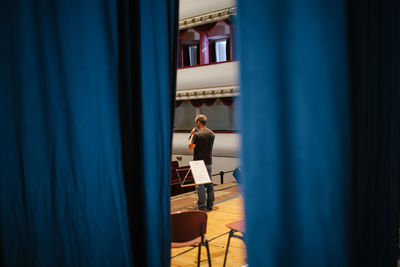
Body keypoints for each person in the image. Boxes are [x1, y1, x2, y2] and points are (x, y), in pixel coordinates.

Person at [188, 114, 215, 211]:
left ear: (198, 122)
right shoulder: (211, 133)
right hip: (208, 162)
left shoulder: (197, 135)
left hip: (199, 163)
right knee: (209, 184)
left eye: (196, 122)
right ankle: (210, 204)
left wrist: (192, 135)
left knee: (200, 185)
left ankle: (201, 206)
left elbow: (190, 147)